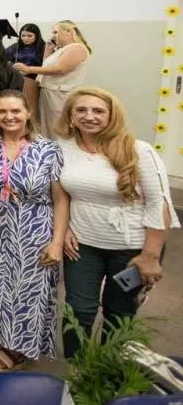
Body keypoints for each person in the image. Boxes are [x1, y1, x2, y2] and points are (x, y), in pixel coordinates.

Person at [55, 87, 179, 358]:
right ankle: (77, 370)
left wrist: (150, 255)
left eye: (98, 111)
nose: (89, 116)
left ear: (112, 116)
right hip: (83, 246)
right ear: (71, 116)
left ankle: (109, 369)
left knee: (119, 312)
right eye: (81, 110)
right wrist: (65, 230)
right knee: (78, 310)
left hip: (132, 249)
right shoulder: (62, 148)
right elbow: (62, 195)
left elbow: (159, 204)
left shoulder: (138, 150)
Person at [0, 90, 67, 371]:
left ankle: (20, 349)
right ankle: (6, 340)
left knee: (29, 289)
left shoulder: (49, 150)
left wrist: (57, 242)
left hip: (34, 227)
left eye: (15, 111)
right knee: (0, 284)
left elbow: (61, 200)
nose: (9, 117)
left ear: (28, 113)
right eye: (2, 111)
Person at [14, 20, 91, 139]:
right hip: (49, 92)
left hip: (60, 95)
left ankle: (59, 149)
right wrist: (48, 50)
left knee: (57, 127)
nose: (53, 36)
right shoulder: (61, 49)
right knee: (47, 127)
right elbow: (47, 67)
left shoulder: (76, 48)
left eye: (56, 32)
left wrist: (28, 69)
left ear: (68, 32)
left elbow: (59, 69)